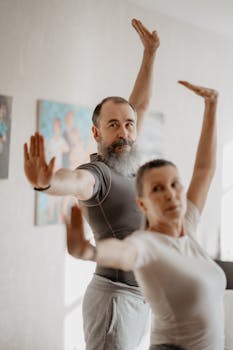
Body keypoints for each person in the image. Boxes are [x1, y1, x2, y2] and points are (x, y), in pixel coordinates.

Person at [24, 19, 160, 350]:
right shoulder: (98, 173)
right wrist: (46, 183)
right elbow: (74, 181)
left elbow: (138, 106)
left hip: (141, 298)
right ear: (97, 133)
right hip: (114, 301)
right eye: (113, 124)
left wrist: (150, 53)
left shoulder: (130, 163)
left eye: (128, 124)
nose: (124, 130)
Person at [65, 81, 226, 350]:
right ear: (142, 203)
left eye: (175, 185)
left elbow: (204, 169)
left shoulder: (188, 222)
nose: (171, 195)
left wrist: (211, 107)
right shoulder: (146, 243)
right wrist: (88, 251)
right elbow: (123, 253)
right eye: (158, 189)